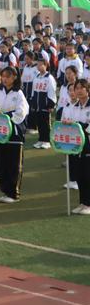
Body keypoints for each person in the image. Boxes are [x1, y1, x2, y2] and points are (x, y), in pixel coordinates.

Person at [0, 67, 29, 203]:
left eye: (8, 76)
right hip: (1, 131)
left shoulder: (18, 94)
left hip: (14, 132)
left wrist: (6, 116)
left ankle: (14, 193)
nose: (5, 79)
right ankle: (5, 191)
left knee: (14, 164)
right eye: (3, 76)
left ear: (14, 77)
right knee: (2, 163)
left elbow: (21, 112)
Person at [63, 79, 90, 215]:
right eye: (76, 88)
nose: (78, 90)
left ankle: (88, 204)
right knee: (79, 175)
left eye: (81, 88)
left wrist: (78, 126)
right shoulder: (74, 106)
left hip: (88, 145)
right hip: (76, 144)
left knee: (87, 174)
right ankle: (83, 202)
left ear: (87, 89)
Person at [31, 59, 57, 150]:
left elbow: (52, 91)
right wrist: (33, 102)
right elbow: (33, 91)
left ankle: (47, 141)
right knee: (39, 123)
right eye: (38, 65)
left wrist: (51, 105)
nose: (39, 66)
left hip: (45, 105)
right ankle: (41, 139)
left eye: (41, 65)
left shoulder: (49, 77)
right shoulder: (37, 77)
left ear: (46, 65)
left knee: (46, 124)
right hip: (38, 105)